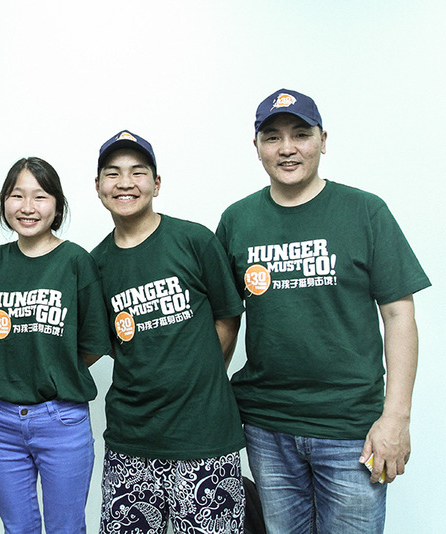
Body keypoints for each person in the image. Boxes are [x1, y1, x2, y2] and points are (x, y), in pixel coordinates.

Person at [215, 89, 431, 534]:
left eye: (301, 134)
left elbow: (399, 315)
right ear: (256, 147)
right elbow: (224, 319)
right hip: (266, 425)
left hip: (353, 427)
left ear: (323, 139)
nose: (287, 148)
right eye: (272, 137)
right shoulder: (238, 219)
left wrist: (396, 418)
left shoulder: (365, 211)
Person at [91, 131, 246, 534]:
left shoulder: (193, 240)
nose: (125, 183)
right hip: (131, 440)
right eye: (113, 173)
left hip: (204, 437)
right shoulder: (96, 264)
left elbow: (229, 315)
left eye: (138, 173)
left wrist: (201, 374)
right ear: (98, 187)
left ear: (156, 184)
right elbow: (104, 343)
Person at [0, 157, 111, 533]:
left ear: (58, 205)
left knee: (66, 528)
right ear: (4, 203)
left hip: (61, 420)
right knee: (17, 529)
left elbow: (93, 342)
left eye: (40, 196)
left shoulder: (76, 262)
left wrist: (55, 366)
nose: (28, 207)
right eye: (16, 195)